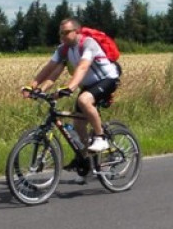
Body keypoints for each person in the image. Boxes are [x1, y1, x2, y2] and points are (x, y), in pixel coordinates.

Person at [27, 18, 121, 157]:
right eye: (60, 33)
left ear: (77, 31)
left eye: (66, 32)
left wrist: (70, 88)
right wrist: (33, 87)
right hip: (89, 86)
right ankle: (86, 159)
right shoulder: (63, 49)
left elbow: (83, 66)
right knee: (78, 125)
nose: (62, 36)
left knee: (84, 100)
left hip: (107, 80)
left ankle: (100, 138)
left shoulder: (88, 43)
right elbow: (50, 69)